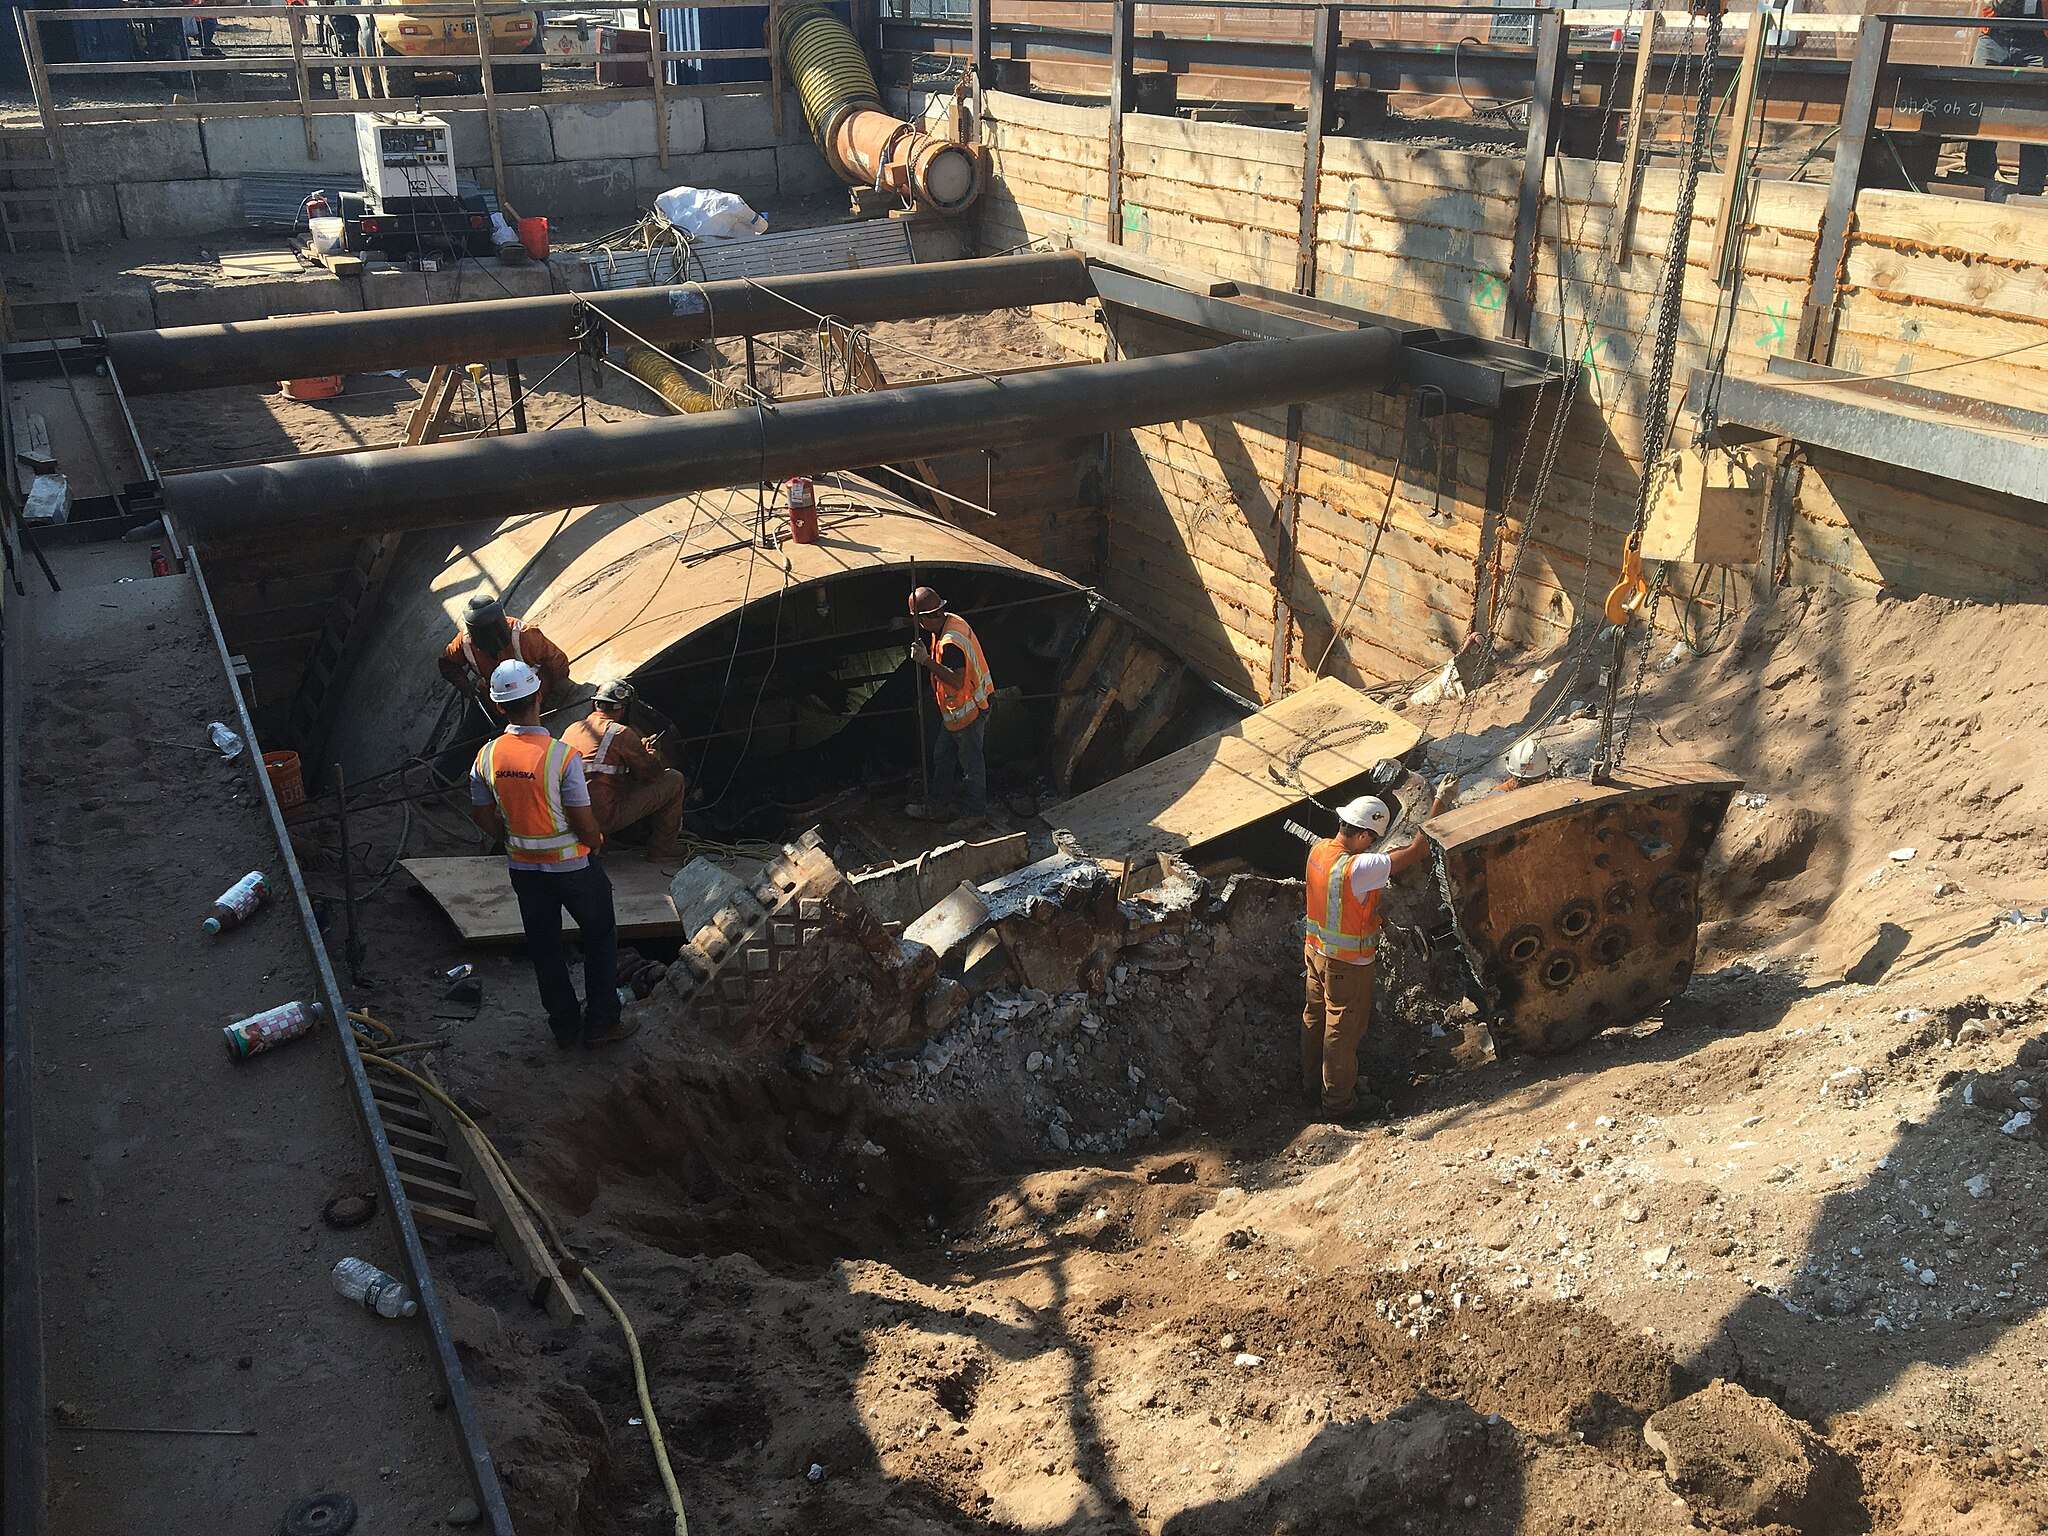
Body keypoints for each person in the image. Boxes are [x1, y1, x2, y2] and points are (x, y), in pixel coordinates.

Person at [470, 660, 637, 1051]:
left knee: (545, 947)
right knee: (600, 937)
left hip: (524, 871)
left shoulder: (487, 756)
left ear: (498, 707)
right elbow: (583, 818)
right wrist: (595, 840)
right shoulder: (561, 756)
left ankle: (564, 1027)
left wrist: (512, 838)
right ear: (539, 695)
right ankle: (601, 1023)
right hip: (574, 868)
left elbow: (480, 813)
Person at [1301, 784, 1452, 1121]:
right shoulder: (1360, 868)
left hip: (1315, 953)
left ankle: (1313, 1085)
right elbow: (1416, 850)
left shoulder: (1319, 851)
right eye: (1371, 838)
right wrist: (1440, 800)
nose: (1371, 844)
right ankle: (1339, 1104)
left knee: (1315, 1019)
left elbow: (1338, 900)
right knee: (1342, 1030)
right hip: (1347, 964)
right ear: (1364, 834)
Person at [562, 679, 687, 864]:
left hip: (570, 817)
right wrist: (652, 753)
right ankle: (663, 849)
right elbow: (651, 774)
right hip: (600, 818)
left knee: (603, 782)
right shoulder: (619, 732)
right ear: (623, 709)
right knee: (674, 780)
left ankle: (602, 843)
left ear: (596, 704)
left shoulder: (573, 729)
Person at [904, 584, 995, 821]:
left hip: (969, 710)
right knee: (942, 755)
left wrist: (925, 661)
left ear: (926, 618)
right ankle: (938, 805)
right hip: (958, 711)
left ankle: (975, 814)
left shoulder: (950, 642)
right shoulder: (951, 620)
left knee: (971, 767)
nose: (919, 626)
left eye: (918, 621)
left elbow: (955, 680)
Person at [439, 594, 572, 721]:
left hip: (533, 695)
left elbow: (558, 661)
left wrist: (552, 699)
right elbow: (447, 664)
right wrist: (466, 687)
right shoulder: (464, 643)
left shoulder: (525, 635)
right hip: (498, 702)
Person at [1963, 3, 2046, 194]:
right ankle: (1979, 178)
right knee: (1980, 105)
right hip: (1995, 36)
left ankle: (2031, 186)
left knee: (2036, 111)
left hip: (2036, 38)